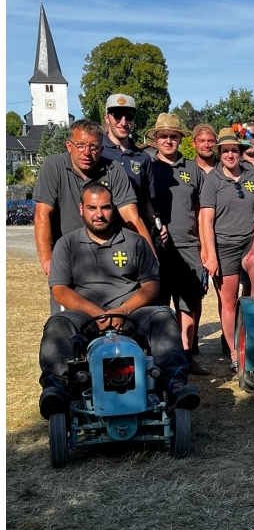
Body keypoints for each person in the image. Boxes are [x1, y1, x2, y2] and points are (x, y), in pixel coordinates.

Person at [37, 181, 199, 420]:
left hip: (131, 312)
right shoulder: (66, 244)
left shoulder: (135, 242)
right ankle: (55, 389)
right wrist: (96, 314)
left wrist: (123, 310)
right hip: (85, 314)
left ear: (114, 208)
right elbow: (60, 290)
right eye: (92, 208)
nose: (99, 214)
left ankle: (174, 386)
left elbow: (151, 286)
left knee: (163, 317)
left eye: (105, 207)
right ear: (81, 209)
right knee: (56, 324)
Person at [34, 119, 154, 314]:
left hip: (111, 258)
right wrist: (48, 262)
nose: (87, 153)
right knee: (67, 329)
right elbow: (42, 215)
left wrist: (150, 257)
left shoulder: (114, 169)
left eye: (94, 147)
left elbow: (132, 216)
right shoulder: (53, 167)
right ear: (68, 146)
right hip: (70, 259)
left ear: (101, 148)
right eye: (80, 146)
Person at [145, 113, 209, 375]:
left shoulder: (193, 169)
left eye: (173, 136)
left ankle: (185, 357)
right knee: (158, 306)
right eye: (164, 136)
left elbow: (202, 211)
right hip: (157, 250)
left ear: (181, 139)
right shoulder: (146, 166)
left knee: (188, 303)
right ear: (156, 139)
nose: (169, 140)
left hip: (188, 247)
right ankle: (159, 359)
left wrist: (205, 249)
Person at [199, 128, 254, 366]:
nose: (230, 154)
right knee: (228, 301)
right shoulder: (212, 180)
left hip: (249, 242)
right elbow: (206, 220)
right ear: (220, 153)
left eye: (234, 150)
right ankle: (236, 354)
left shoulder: (253, 177)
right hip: (224, 245)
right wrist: (211, 256)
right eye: (225, 150)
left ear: (241, 152)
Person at [100, 94, 155, 220]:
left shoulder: (143, 157)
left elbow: (146, 200)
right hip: (104, 232)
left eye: (129, 116)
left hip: (135, 232)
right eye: (117, 116)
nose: (123, 122)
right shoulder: (96, 151)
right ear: (107, 118)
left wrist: (155, 223)